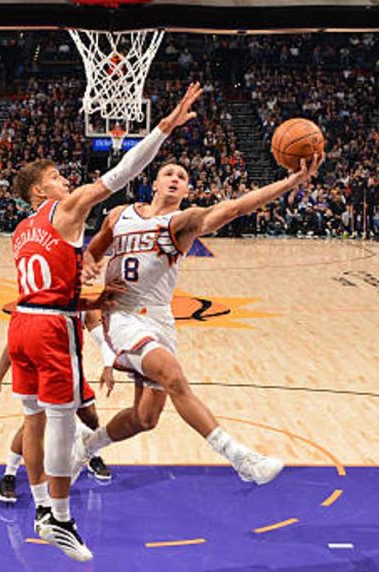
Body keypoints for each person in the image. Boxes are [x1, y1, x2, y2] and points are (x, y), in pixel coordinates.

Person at [7, 83, 203, 562]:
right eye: (56, 177)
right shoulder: (65, 210)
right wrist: (164, 128)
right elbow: (122, 172)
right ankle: (60, 516)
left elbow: (49, 284)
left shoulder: (20, 230)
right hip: (52, 329)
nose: (65, 180)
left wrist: (88, 286)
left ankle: (38, 508)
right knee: (59, 422)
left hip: (21, 324)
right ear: (41, 191)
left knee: (32, 418)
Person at [74, 154, 323, 487]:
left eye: (182, 176)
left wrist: (290, 183)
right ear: (156, 183)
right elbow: (93, 250)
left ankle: (86, 446)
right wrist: (88, 263)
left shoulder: (183, 222)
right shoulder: (121, 215)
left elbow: (234, 208)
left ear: (187, 190)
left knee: (146, 418)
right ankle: (241, 458)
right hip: (123, 314)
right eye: (169, 173)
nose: (175, 178)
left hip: (160, 317)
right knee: (173, 375)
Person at [0, 310, 117, 503]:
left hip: (70, 374)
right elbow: (12, 346)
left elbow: (102, 340)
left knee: (90, 416)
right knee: (31, 426)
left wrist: (108, 366)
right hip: (41, 377)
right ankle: (9, 475)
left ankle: (93, 455)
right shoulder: (34, 305)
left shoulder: (83, 308)